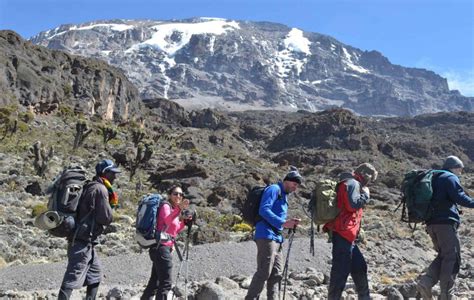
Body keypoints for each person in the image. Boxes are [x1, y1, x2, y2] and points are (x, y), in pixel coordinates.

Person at [58, 159, 121, 300]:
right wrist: (112, 208)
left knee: (95, 275)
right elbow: (106, 217)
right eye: (113, 173)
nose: (115, 177)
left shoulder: (91, 186)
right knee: (72, 277)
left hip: (86, 240)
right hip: (83, 240)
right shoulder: (100, 189)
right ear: (105, 173)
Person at [416, 156, 474, 300]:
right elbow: (459, 197)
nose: (461, 171)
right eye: (460, 168)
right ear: (455, 166)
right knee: (452, 257)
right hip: (445, 224)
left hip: (431, 224)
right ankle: (446, 294)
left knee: (444, 255)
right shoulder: (450, 178)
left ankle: (426, 282)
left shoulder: (434, 177)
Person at [245, 166, 303, 300]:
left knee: (277, 273)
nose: (295, 188)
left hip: (277, 237)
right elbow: (264, 210)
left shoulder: (284, 196)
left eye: (297, 186)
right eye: (294, 184)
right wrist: (283, 223)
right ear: (287, 181)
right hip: (266, 234)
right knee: (264, 272)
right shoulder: (274, 189)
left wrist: (289, 223)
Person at [323, 162, 378, 300]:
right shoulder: (352, 183)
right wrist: (365, 196)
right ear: (366, 175)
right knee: (340, 273)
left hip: (348, 235)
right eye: (370, 179)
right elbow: (352, 205)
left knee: (360, 267)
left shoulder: (351, 183)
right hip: (343, 234)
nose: (370, 183)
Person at [141, 185, 192, 300]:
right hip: (161, 248)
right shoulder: (165, 206)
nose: (178, 196)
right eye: (175, 193)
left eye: (180, 194)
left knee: (155, 282)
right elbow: (166, 220)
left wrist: (184, 222)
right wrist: (180, 208)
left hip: (163, 248)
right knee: (166, 283)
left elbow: (174, 230)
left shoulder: (173, 209)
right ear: (170, 195)